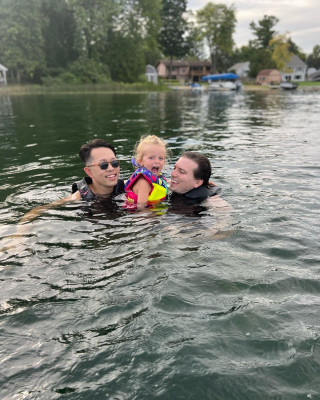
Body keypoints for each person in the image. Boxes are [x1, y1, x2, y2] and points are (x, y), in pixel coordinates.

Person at [125, 135, 168, 206]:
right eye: (151, 158)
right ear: (141, 161)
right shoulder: (143, 183)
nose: (157, 161)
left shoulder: (158, 178)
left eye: (161, 158)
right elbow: (141, 209)